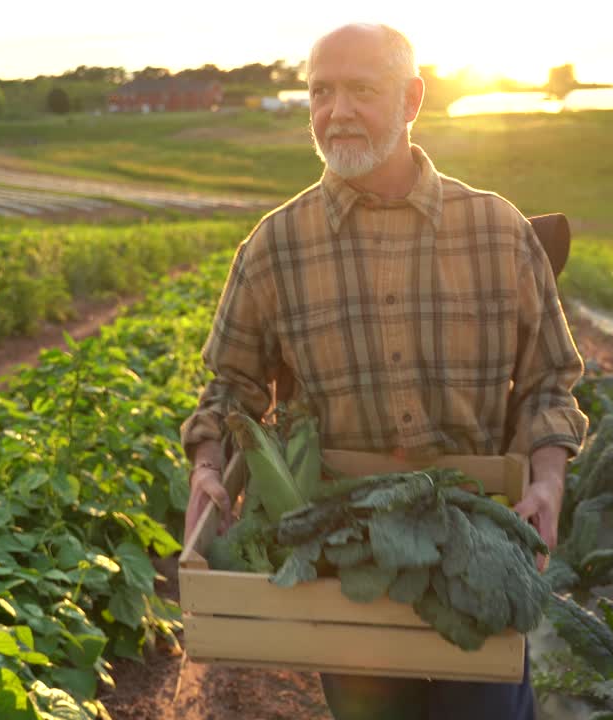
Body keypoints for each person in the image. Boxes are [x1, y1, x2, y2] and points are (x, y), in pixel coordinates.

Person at [180, 22, 588, 720]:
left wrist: (547, 479)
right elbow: (229, 387)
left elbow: (550, 379)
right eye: (320, 92)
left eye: (361, 90)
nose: (336, 110)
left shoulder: (497, 231)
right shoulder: (275, 247)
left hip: (478, 540)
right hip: (345, 555)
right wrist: (208, 464)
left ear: (411, 100)